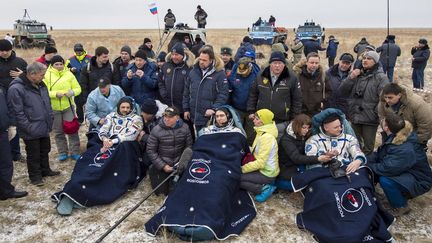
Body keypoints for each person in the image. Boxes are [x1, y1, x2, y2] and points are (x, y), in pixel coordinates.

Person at [145, 106, 255, 241]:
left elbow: (241, 151)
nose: (219, 118)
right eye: (217, 116)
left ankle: (209, 218)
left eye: (222, 116)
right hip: (202, 161)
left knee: (217, 183)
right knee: (188, 181)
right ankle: (176, 214)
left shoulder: (237, 132)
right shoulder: (206, 132)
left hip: (223, 164)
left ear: (229, 117)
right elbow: (198, 148)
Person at [53, 97, 144, 216]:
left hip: (122, 146)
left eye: (128, 107)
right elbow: (103, 129)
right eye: (123, 107)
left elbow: (132, 134)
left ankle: (83, 191)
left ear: (131, 108)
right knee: (89, 160)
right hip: (105, 143)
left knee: (106, 167)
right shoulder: (111, 116)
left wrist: (113, 141)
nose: (125, 110)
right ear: (118, 107)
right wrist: (105, 139)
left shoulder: (136, 119)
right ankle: (75, 187)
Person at [367, 112, 432, 216]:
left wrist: (367, 166)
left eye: (384, 122)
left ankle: (401, 206)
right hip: (408, 171)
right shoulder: (397, 135)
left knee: (385, 180)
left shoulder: (403, 148)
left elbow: (387, 168)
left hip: (420, 180)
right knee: (376, 168)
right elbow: (381, 155)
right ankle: (400, 192)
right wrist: (363, 159)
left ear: (387, 127)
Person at [7, 62, 60, 186]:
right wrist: (27, 126)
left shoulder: (41, 84)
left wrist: (50, 117)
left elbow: (46, 102)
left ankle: (45, 170)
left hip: (43, 124)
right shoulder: (16, 88)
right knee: (33, 153)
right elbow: (17, 111)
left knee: (45, 149)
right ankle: (35, 177)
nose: (44, 77)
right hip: (30, 127)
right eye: (42, 75)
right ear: (32, 74)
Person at [339, 51, 389, 155]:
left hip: (370, 118)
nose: (365, 60)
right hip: (355, 116)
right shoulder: (357, 74)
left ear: (375, 62)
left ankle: (366, 167)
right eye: (364, 58)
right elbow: (342, 91)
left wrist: (375, 112)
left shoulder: (381, 78)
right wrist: (350, 78)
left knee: (368, 148)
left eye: (369, 59)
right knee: (354, 144)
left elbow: (384, 99)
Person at [247, 51, 302, 141]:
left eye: (280, 63)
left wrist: (294, 117)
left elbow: (297, 99)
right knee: (263, 144)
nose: (277, 66)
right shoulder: (260, 76)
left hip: (282, 120)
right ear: (270, 64)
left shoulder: (292, 78)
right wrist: (251, 111)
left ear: (284, 64)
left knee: (279, 144)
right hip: (262, 119)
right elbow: (253, 94)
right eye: (274, 63)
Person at [276, 114, 331, 191]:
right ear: (297, 126)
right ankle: (274, 183)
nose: (306, 130)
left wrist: (325, 154)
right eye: (304, 127)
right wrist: (318, 158)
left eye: (308, 127)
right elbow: (296, 158)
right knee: (296, 185)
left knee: (312, 178)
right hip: (286, 166)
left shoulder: (306, 134)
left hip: (300, 164)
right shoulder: (286, 140)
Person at [43, 55, 81, 161]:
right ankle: (62, 152)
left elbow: (78, 88)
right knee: (58, 131)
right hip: (54, 108)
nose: (59, 66)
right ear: (52, 65)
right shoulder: (46, 75)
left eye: (61, 64)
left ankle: (75, 151)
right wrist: (55, 94)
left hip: (67, 106)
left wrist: (72, 92)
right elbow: (44, 92)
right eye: (56, 64)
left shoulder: (69, 74)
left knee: (72, 129)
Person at [147, 107, 193, 196]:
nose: (167, 119)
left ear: (177, 118)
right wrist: (163, 166)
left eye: (170, 117)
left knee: (182, 191)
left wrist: (182, 163)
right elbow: (150, 150)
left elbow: (189, 147)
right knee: (161, 193)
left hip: (180, 164)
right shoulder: (156, 130)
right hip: (163, 164)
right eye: (165, 116)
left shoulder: (185, 127)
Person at [183, 45, 229, 134]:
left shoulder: (219, 74)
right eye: (200, 59)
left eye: (204, 60)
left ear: (211, 60)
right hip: (194, 115)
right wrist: (186, 109)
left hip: (209, 117)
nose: (201, 62)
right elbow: (186, 92)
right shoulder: (193, 72)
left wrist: (214, 109)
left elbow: (223, 94)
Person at [240, 109, 279, 202]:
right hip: (262, 169)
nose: (254, 120)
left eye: (257, 119)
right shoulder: (261, 132)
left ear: (263, 121)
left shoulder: (267, 137)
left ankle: (264, 188)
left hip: (267, 173)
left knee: (236, 178)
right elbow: (256, 150)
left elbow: (260, 163)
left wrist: (242, 169)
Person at [378, 82, 432, 148]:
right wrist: (387, 129)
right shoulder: (383, 102)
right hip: (392, 135)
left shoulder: (416, 104)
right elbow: (382, 117)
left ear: (399, 95)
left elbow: (425, 125)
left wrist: (419, 142)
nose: (387, 100)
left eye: (390, 97)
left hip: (413, 137)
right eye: (385, 97)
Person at [0, 80, 28, 200]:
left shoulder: (1, 86)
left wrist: (11, 124)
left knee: (6, 163)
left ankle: (5, 191)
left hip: (2, 131)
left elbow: (7, 106)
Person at [0, 39, 27, 161]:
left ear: (11, 49)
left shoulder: (20, 62)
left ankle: (16, 153)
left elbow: (32, 76)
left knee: (14, 124)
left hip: (16, 99)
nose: (4, 53)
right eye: (1, 51)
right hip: (1, 99)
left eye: (6, 50)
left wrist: (23, 75)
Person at [228, 54, 260, 144]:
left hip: (252, 111)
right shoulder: (234, 74)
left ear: (250, 67)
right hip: (237, 108)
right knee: (237, 133)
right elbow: (229, 88)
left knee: (250, 135)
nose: (243, 74)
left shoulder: (257, 75)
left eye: (245, 71)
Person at [158, 43, 195, 116]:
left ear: (182, 55)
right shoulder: (166, 66)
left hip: (183, 107)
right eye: (172, 54)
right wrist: (163, 93)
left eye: (177, 55)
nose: (174, 57)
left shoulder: (189, 68)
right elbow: (160, 81)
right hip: (168, 104)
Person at [293, 52, 331, 117]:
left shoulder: (323, 76)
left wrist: (321, 100)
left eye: (316, 63)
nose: (314, 65)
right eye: (312, 62)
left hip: (316, 111)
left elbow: (329, 91)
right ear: (307, 62)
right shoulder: (298, 75)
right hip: (301, 111)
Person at [68, 43, 91, 123]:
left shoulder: (90, 58)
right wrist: (71, 70)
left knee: (90, 102)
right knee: (78, 103)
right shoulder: (70, 60)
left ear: (83, 50)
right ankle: (80, 120)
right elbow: (65, 70)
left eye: (80, 51)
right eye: (76, 51)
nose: (78, 53)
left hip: (89, 85)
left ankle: (90, 119)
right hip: (77, 85)